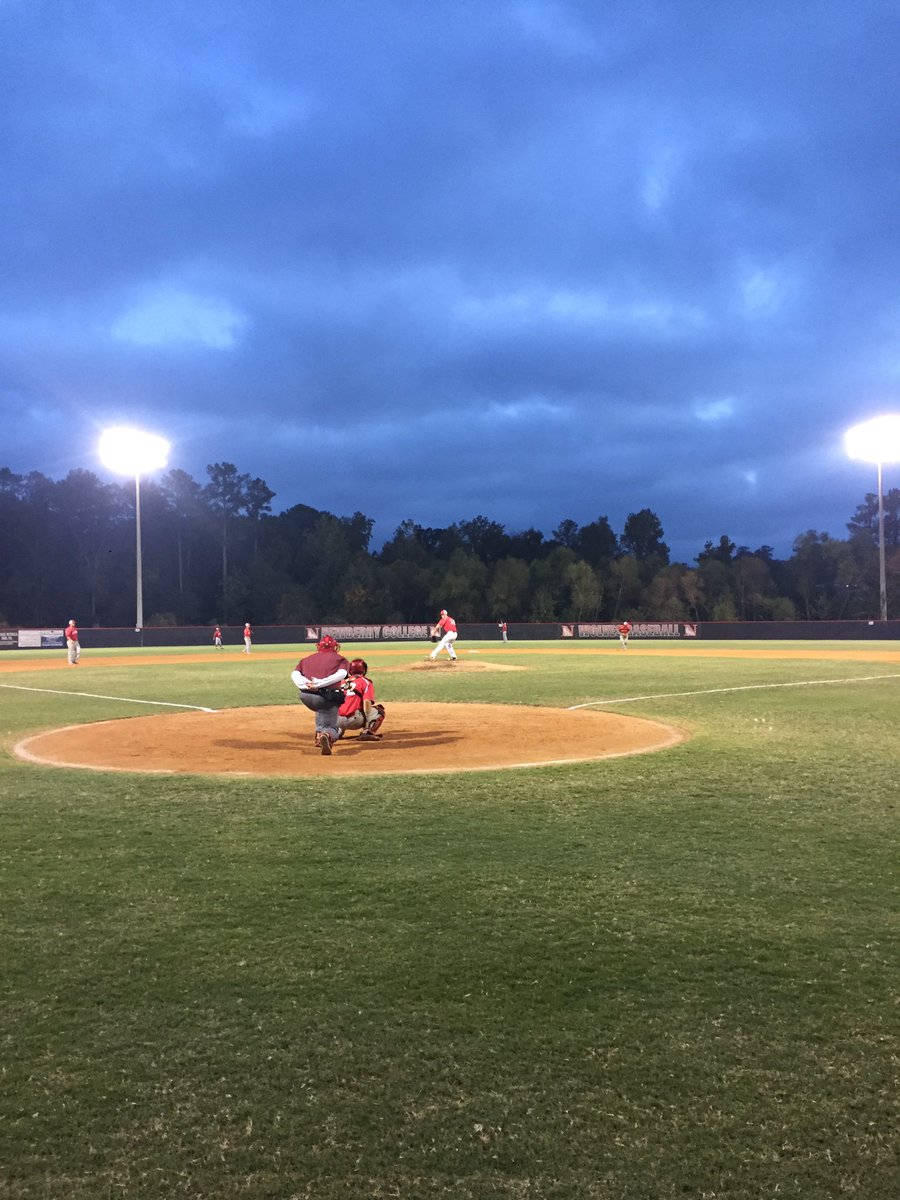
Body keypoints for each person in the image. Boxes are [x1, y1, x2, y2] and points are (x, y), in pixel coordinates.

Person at [291, 634, 351, 755]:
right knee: (330, 724)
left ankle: (319, 734)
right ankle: (327, 735)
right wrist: (320, 684)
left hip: (305, 696)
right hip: (326, 698)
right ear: (335, 647)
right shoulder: (340, 659)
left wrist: (306, 685)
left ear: (319, 646)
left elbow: (294, 675)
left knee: (321, 708)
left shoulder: (306, 659)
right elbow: (341, 674)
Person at [337, 659, 387, 739]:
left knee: (343, 706)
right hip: (354, 721)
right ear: (364, 670)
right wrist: (367, 722)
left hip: (336, 720)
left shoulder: (342, 682)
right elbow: (366, 702)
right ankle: (368, 732)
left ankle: (336, 732)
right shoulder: (365, 682)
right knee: (379, 711)